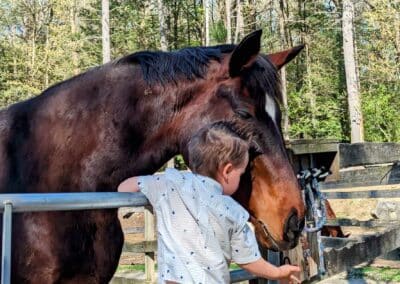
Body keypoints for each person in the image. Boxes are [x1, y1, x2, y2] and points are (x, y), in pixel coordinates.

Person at [118, 123, 301, 284]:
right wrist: (277, 272)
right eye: (241, 173)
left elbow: (124, 187)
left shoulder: (168, 184)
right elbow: (249, 260)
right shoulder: (234, 212)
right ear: (227, 171)